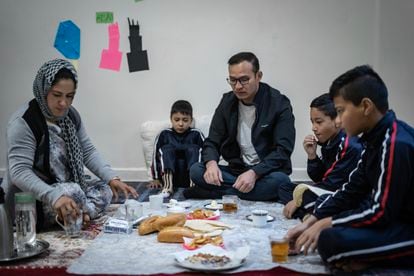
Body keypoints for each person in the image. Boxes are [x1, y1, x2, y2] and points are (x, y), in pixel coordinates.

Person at [286, 65, 414, 271]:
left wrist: (327, 223)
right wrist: (312, 221)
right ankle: (366, 256)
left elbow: (380, 211)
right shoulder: (373, 140)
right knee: (324, 229)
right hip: (392, 222)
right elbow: (351, 190)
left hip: (406, 228)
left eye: (340, 111)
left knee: (329, 240)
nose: (338, 120)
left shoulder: (395, 143)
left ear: (366, 106)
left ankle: (371, 258)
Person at [4, 59, 138, 230]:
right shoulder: (24, 122)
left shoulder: (70, 116)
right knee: (73, 192)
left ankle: (78, 213)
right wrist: (54, 196)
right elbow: (19, 172)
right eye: (57, 95)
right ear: (43, 91)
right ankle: (79, 212)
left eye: (70, 96)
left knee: (104, 189)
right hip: (32, 199)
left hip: (66, 187)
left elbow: (87, 151)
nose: (64, 103)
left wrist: (112, 177)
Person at [184, 52, 295, 201]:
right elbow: (212, 142)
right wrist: (211, 165)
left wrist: (254, 173)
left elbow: (283, 151)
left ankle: (216, 193)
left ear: (258, 76)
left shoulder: (279, 104)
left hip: (266, 173)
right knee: (196, 170)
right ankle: (246, 193)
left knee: (281, 182)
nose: (238, 86)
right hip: (237, 171)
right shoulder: (227, 102)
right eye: (233, 80)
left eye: (244, 80)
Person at [278, 93, 361, 220]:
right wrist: (312, 156)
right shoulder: (329, 141)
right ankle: (307, 213)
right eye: (312, 122)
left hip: (342, 194)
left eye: (318, 122)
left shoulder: (349, 145)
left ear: (338, 120)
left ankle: (309, 214)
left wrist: (298, 200)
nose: (313, 128)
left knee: (306, 195)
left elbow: (331, 184)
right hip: (329, 189)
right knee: (285, 187)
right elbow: (318, 178)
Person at [148, 100, 204, 197]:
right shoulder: (164, 134)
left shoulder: (196, 134)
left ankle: (194, 187)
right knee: (166, 149)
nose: (181, 124)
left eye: (185, 120)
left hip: (190, 176)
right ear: (171, 119)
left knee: (194, 148)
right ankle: (167, 188)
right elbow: (155, 157)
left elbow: (206, 154)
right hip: (170, 177)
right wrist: (155, 178)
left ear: (191, 120)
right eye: (177, 120)